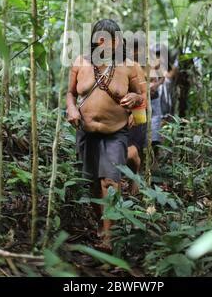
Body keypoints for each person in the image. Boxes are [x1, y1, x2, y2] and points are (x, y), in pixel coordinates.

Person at [66, 19, 143, 250]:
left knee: (110, 181)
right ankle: (102, 223)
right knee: (92, 182)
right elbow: (70, 94)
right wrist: (71, 108)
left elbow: (141, 96)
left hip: (115, 133)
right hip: (86, 132)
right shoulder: (80, 62)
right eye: (105, 39)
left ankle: (109, 239)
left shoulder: (128, 66)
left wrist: (136, 100)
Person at [126, 38, 147, 195]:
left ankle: (135, 177)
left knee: (132, 154)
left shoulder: (135, 67)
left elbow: (143, 94)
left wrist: (135, 113)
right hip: (118, 118)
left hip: (135, 117)